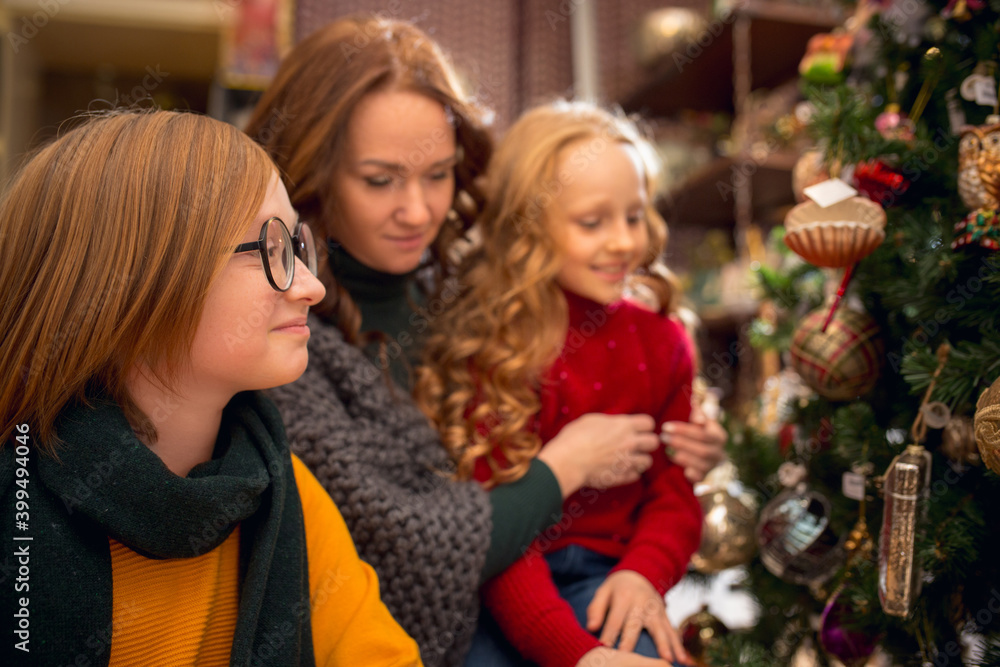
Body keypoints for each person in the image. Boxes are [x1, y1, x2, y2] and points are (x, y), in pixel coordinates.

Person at [249, 16, 724, 666]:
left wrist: (685, 437)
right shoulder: (284, 342)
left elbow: (624, 382)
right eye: (381, 180)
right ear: (311, 175)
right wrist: (566, 468)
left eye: (438, 174)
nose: (418, 211)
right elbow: (402, 546)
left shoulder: (486, 295)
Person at [0, 110, 420, 667]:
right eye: (270, 249)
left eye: (297, 247)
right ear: (134, 281)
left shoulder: (282, 484)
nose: (313, 287)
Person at [415, 101, 702, 667]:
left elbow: (675, 492)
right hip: (501, 582)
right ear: (529, 226)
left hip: (610, 576)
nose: (623, 242)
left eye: (635, 215)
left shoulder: (664, 341)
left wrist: (643, 574)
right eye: (592, 222)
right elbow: (494, 529)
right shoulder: (495, 343)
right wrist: (575, 655)